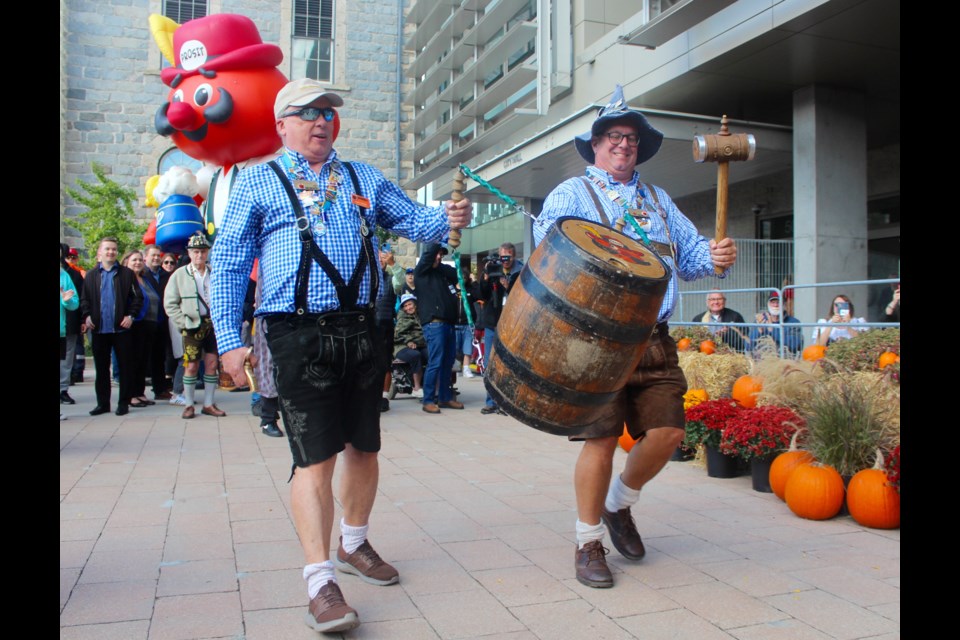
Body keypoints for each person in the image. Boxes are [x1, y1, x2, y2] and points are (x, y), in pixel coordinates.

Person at [209, 78, 472, 633]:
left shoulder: (363, 179)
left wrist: (450, 220)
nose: (321, 121)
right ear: (281, 125)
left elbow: (417, 223)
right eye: (307, 112)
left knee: (365, 448)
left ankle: (354, 543)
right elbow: (230, 265)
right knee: (315, 459)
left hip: (361, 331)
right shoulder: (257, 182)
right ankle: (319, 581)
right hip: (295, 334)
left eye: (328, 112)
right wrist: (229, 341)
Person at [532, 85, 737, 588]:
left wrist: (716, 258)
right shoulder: (570, 194)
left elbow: (690, 261)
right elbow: (549, 254)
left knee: (668, 433)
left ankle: (617, 504)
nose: (623, 144)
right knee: (600, 441)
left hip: (654, 336)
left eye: (631, 138)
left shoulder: (659, 200)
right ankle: (587, 544)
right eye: (613, 136)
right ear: (596, 145)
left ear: (640, 148)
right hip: (595, 340)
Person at [164, 233, 226, 419]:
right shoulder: (179, 274)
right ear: (190, 253)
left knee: (212, 363)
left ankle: (208, 403)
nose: (200, 255)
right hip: (192, 324)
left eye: (203, 251)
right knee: (190, 365)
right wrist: (183, 322)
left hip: (213, 324)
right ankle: (189, 404)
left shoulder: (215, 272)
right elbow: (170, 303)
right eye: (196, 251)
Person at [80, 237, 143, 416]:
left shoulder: (126, 274)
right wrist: (87, 316)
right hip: (99, 329)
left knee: (125, 368)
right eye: (107, 249)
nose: (111, 252)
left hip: (121, 329)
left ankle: (123, 402)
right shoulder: (91, 275)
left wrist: (131, 316)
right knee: (101, 369)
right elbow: (85, 299)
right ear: (100, 252)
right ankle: (103, 404)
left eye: (114, 249)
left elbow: (138, 298)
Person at [414, 242, 463, 414]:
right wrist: (437, 240)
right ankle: (428, 400)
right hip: (434, 323)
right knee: (435, 362)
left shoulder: (441, 273)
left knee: (447, 362)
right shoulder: (421, 273)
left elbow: (457, 274)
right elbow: (428, 257)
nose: (439, 256)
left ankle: (445, 397)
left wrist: (441, 260)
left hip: (448, 323)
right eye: (437, 253)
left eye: (442, 254)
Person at [478, 244, 522, 414]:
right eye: (502, 257)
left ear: (514, 256)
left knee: (508, 365)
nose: (505, 261)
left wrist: (507, 285)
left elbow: (520, 295)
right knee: (490, 363)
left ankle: (506, 404)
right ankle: (491, 401)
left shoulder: (520, 272)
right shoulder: (493, 269)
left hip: (511, 324)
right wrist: (486, 277)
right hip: (492, 323)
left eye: (508, 257)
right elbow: (481, 294)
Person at [121, 250, 159, 408]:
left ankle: (140, 392)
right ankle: (131, 395)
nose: (137, 263)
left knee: (143, 360)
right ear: (126, 262)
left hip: (148, 323)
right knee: (133, 361)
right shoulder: (124, 279)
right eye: (133, 260)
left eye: (139, 260)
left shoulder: (144, 279)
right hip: (134, 324)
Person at [60, 243, 84, 405]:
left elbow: (74, 303)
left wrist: (67, 301)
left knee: (64, 361)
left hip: (62, 329)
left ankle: (62, 389)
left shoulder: (65, 275)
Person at [392, 293, 428, 396]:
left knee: (432, 355)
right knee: (415, 355)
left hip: (420, 345)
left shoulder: (421, 315)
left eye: (410, 304)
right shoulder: (402, 318)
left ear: (415, 304)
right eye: (405, 306)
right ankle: (417, 388)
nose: (408, 307)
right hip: (401, 347)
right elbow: (397, 335)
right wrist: (408, 342)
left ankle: (433, 386)